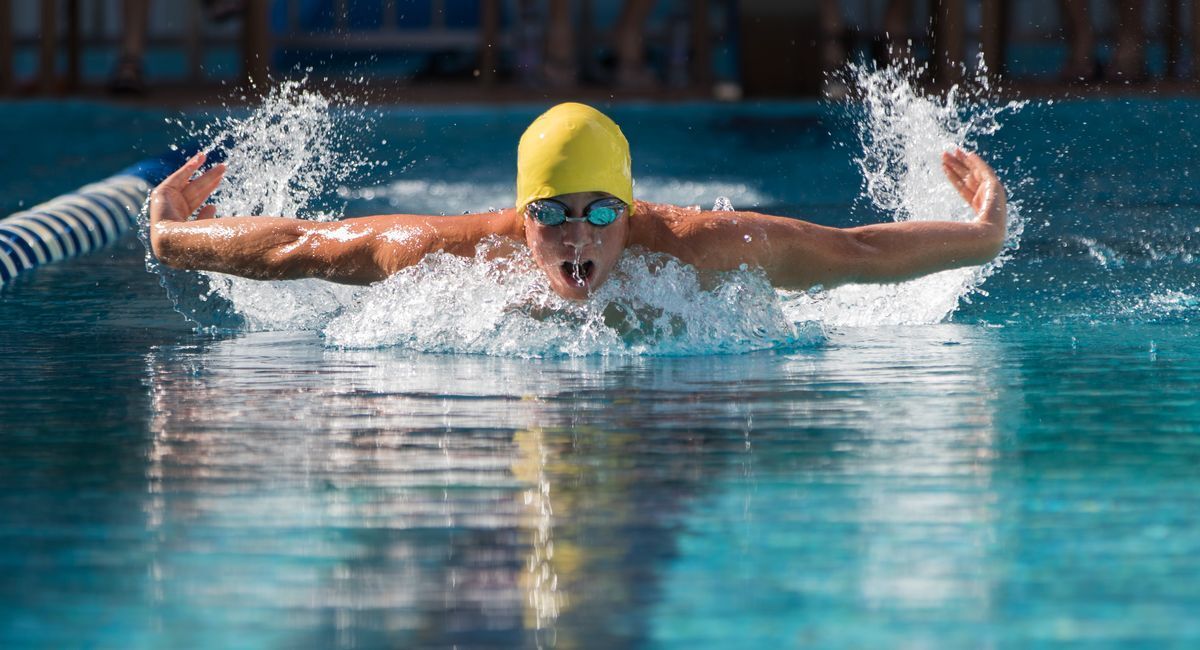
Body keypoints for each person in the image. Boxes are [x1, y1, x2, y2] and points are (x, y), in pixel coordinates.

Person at [149, 103, 1007, 302]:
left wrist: (983, 235)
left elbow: (854, 251)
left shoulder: (703, 248)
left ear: (630, 214)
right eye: (552, 213)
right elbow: (303, 244)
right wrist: (171, 237)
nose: (575, 236)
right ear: (519, 215)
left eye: (601, 213)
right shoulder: (451, 254)